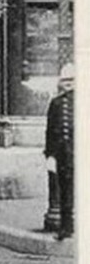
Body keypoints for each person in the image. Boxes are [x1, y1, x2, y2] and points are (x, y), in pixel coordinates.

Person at [44, 64, 74, 240]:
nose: (68, 83)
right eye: (65, 80)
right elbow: (50, 132)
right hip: (63, 155)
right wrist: (50, 155)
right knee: (65, 193)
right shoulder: (56, 103)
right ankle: (66, 227)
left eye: (71, 80)